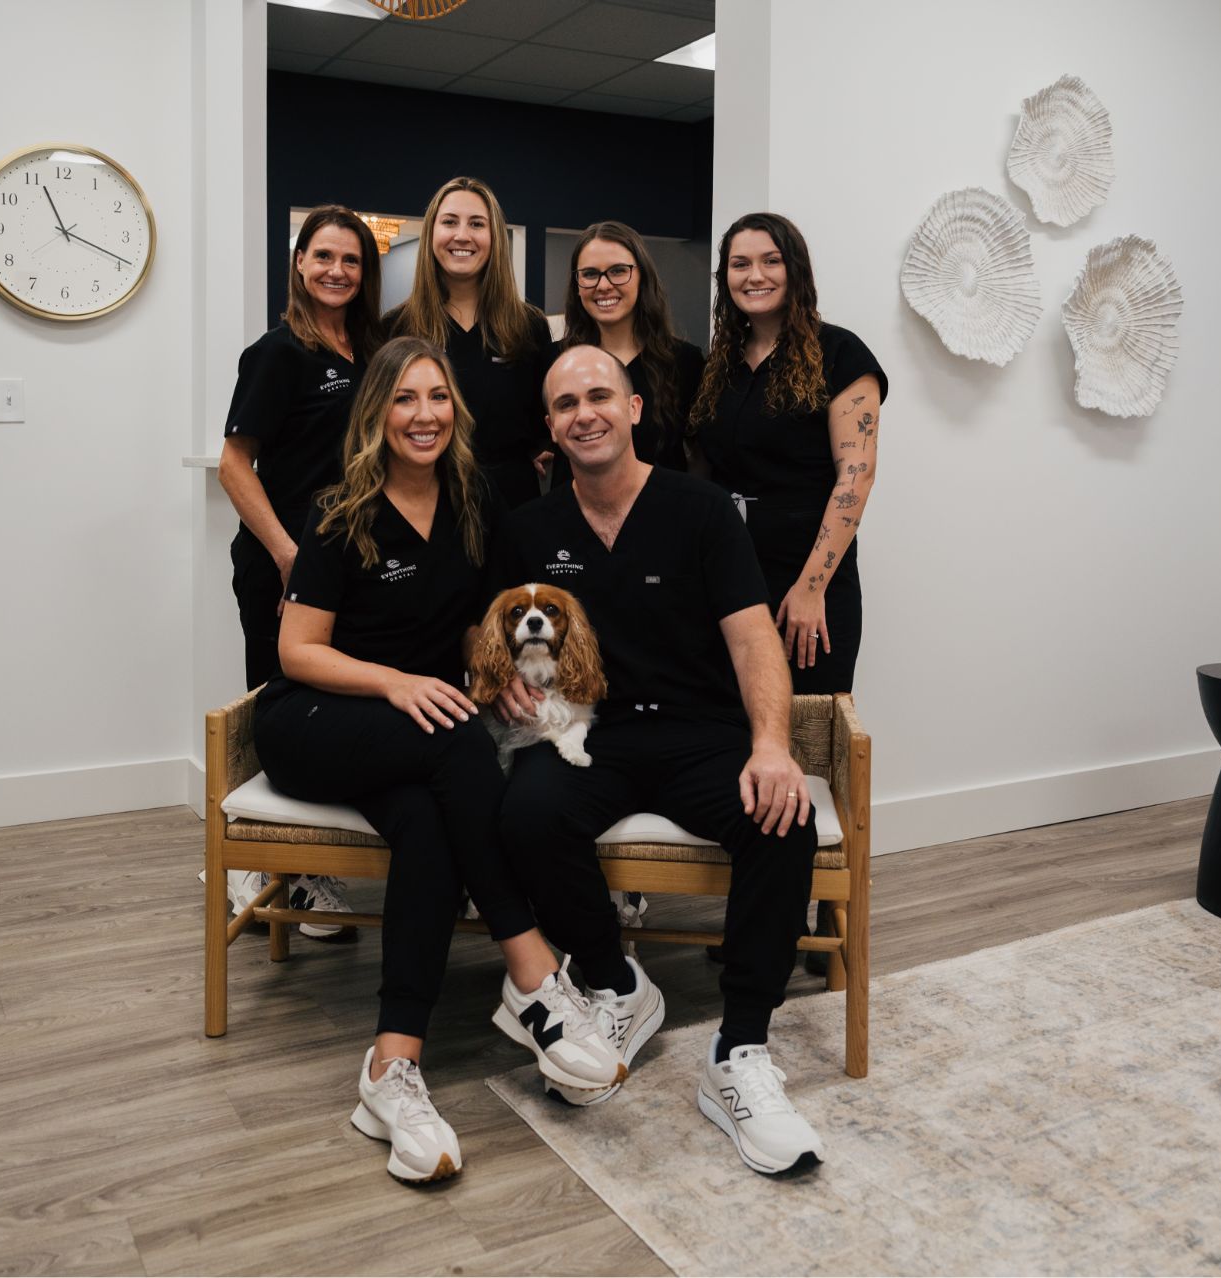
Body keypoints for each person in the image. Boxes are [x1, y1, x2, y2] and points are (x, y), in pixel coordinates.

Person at [254, 336, 623, 1184]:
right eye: (404, 400)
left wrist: (491, 679)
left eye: (437, 398)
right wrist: (394, 684)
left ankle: (392, 1067)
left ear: (454, 410)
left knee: (428, 822)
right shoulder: (339, 509)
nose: (423, 416)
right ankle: (532, 972)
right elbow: (298, 649)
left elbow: (473, 623)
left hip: (411, 738)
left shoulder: (472, 502)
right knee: (454, 741)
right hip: (314, 718)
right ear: (376, 412)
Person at [486, 344, 826, 1176]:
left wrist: (772, 746)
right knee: (524, 814)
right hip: (590, 735)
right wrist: (500, 692)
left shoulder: (702, 510)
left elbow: (752, 637)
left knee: (784, 823)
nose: (585, 414)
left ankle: (740, 1053)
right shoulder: (528, 529)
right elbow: (496, 640)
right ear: (551, 427)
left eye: (600, 395)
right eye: (566, 404)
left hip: (699, 734)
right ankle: (613, 981)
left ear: (635, 409)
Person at [220, 204, 383, 936]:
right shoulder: (277, 353)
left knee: (331, 715)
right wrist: (290, 557)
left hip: (349, 566)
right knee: (276, 710)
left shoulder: (370, 350)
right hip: (281, 566)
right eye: (324, 257)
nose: (337, 272)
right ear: (299, 263)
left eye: (351, 261)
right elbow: (234, 463)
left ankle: (311, 866)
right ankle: (253, 865)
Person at [691, 212, 885, 697]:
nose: (754, 275)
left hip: (806, 583)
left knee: (805, 735)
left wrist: (811, 587)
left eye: (770, 261)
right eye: (740, 264)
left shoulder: (840, 353)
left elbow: (855, 477)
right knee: (728, 732)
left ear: (795, 269)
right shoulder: (721, 363)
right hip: (727, 575)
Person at [386, 176, 553, 507]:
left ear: (494, 238)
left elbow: (546, 414)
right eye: (449, 222)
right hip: (426, 499)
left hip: (513, 502)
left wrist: (544, 445)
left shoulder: (529, 326)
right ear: (432, 233)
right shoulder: (396, 328)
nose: (462, 235)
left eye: (477, 223)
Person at [560, 221, 705, 470]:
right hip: (575, 507)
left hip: (665, 506)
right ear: (577, 284)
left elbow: (702, 455)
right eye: (590, 274)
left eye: (618, 271)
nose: (603, 285)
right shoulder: (555, 361)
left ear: (642, 277)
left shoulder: (686, 362)